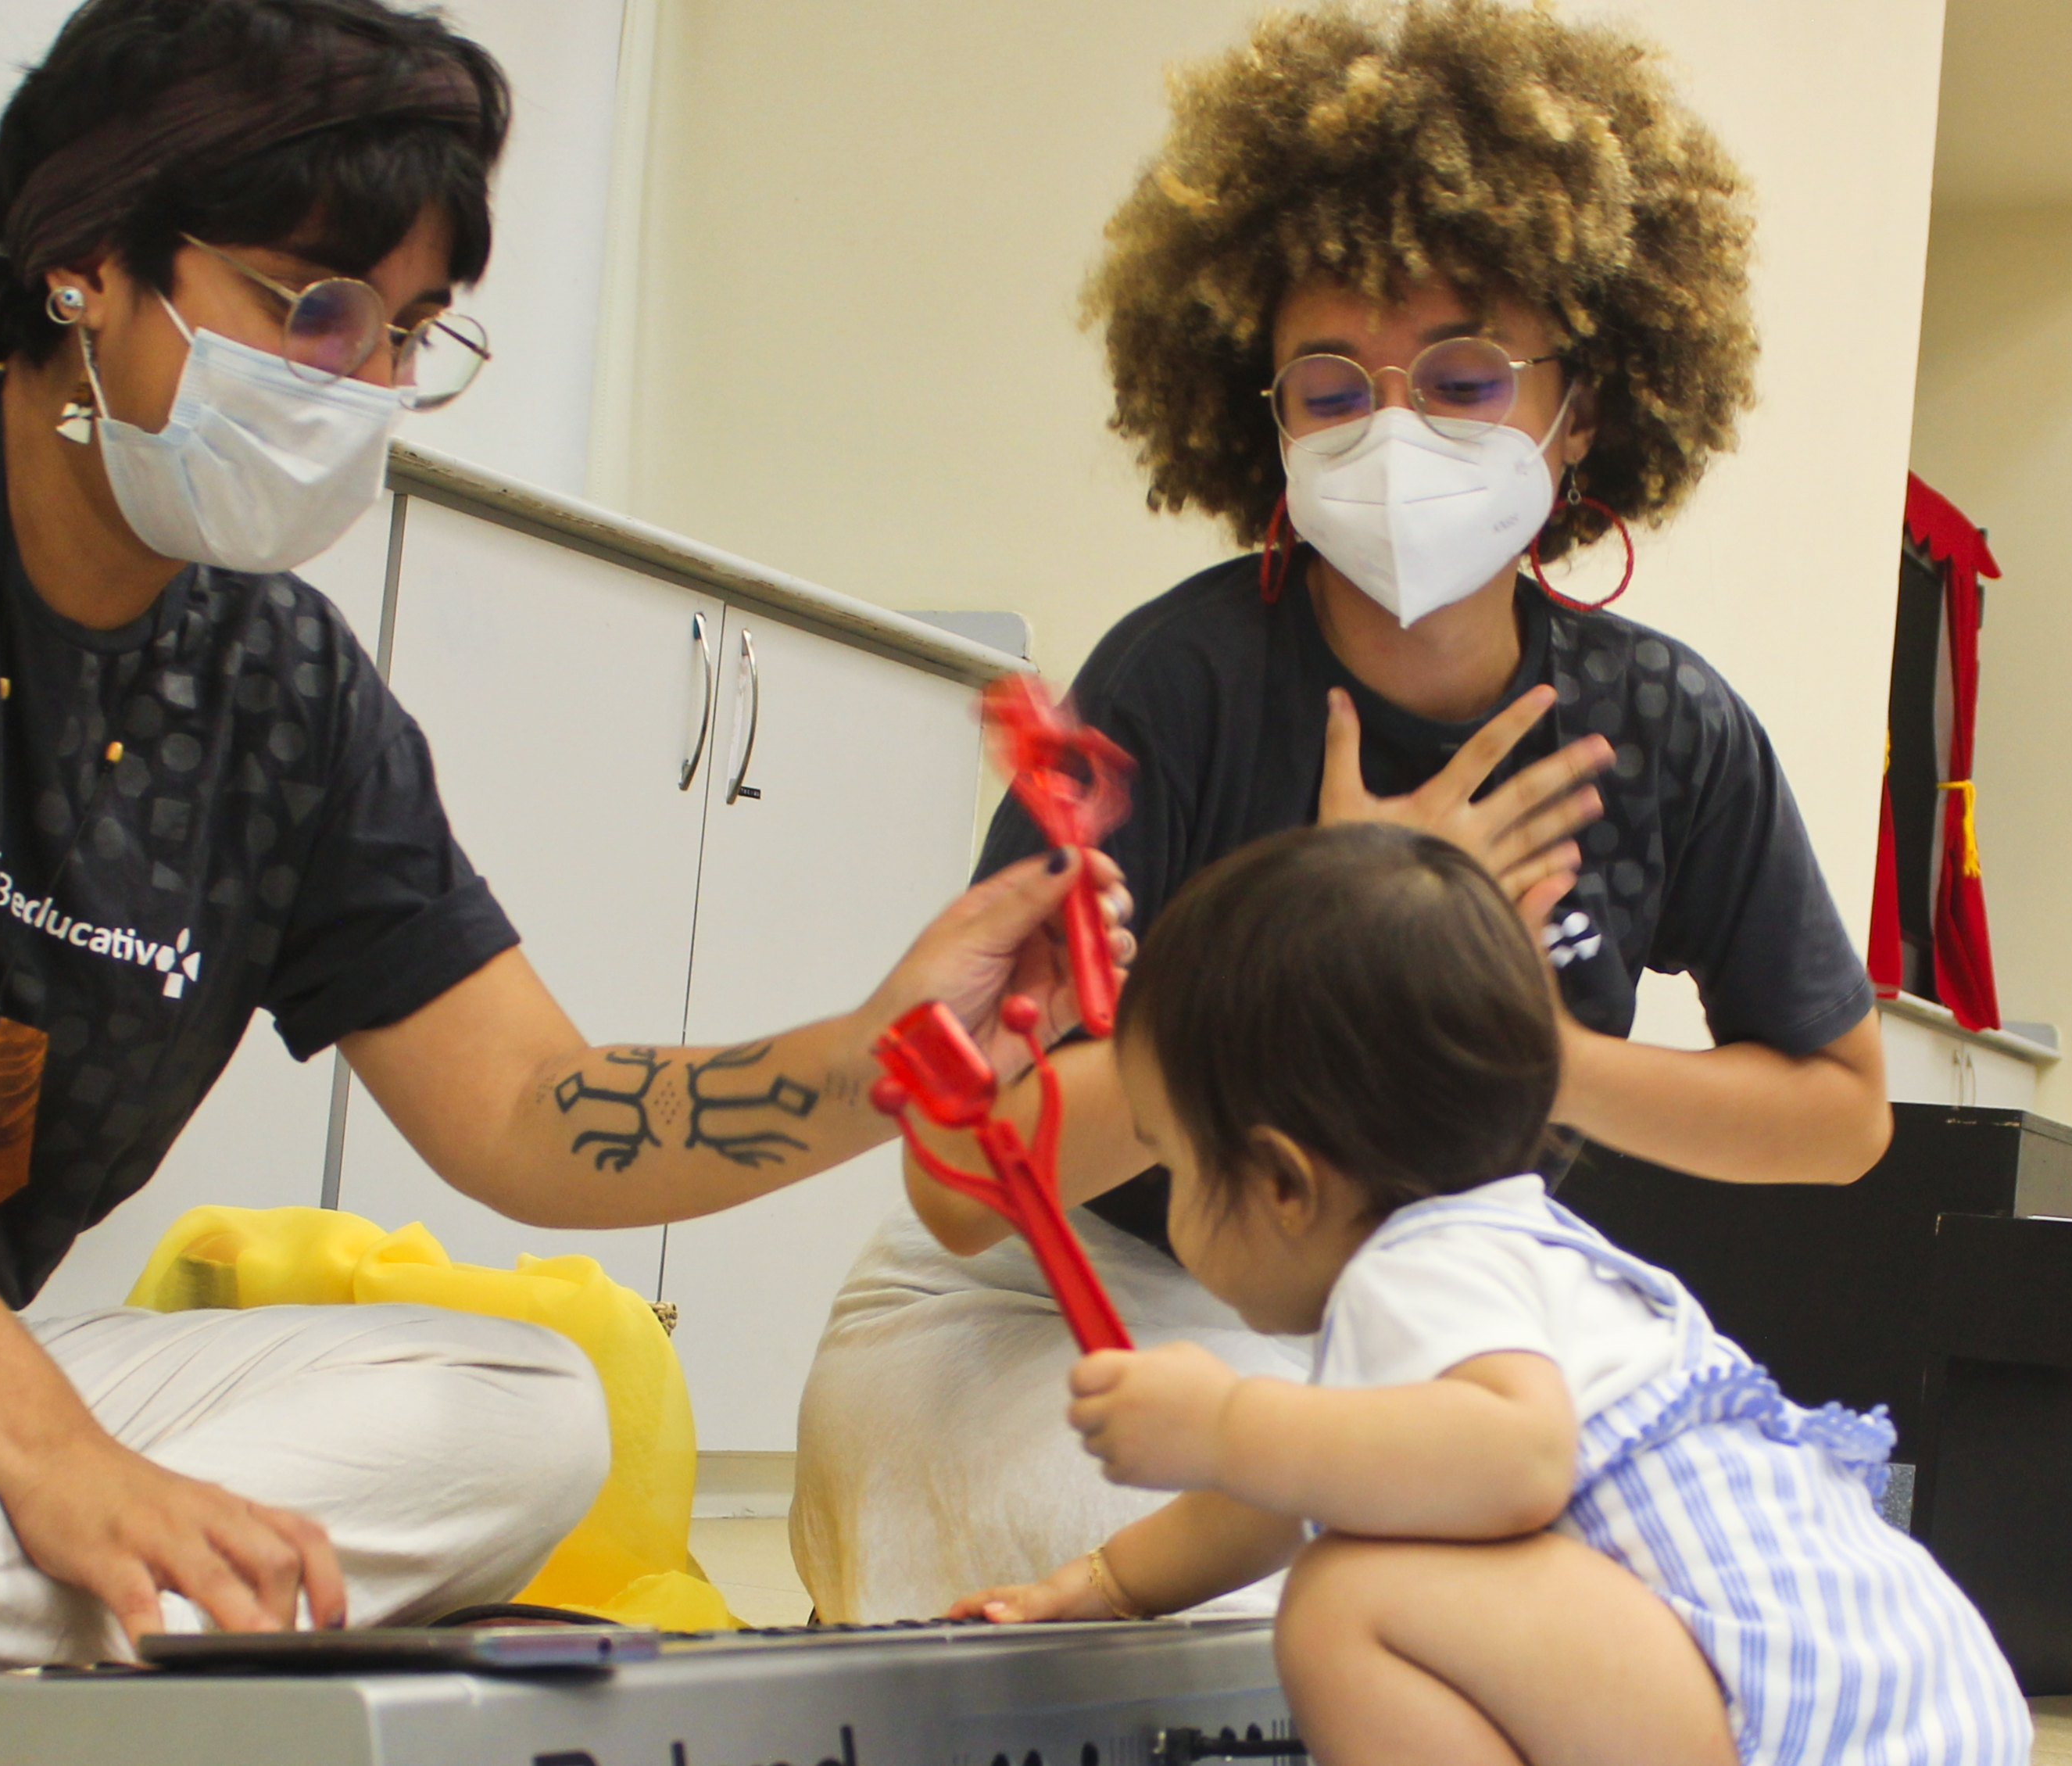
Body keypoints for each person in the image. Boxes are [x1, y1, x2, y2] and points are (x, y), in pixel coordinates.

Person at [0, 2, 1121, 1758]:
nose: (365, 382)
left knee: (524, 1414)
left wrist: (885, 1047)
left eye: (411, 331)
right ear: (88, 257)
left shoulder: (282, 681)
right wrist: (56, 1456)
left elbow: (527, 1112)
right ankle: (23, 1636)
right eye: (309, 308)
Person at [793, 0, 1893, 1621]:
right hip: (1060, 1305)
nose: (1395, 431)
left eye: (1464, 378)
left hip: (1425, 1314)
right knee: (1303, 1587)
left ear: (1581, 410)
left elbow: (1837, 1116)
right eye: (1332, 389)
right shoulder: (1180, 679)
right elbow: (961, 1192)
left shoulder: (1663, 726)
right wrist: (1334, 937)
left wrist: (1492, 1024)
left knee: (1664, 1598)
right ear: (1264, 416)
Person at [955, 824, 2027, 1766]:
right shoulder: (1506, 1246)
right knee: (1365, 1541)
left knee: (1347, 1600)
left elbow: (1512, 1458)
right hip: (1902, 1700)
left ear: (1283, 1182)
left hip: (1795, 1729)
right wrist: (1102, 1584)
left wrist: (1226, 1420)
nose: (1171, 1201)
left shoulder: (1416, 1272)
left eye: (1171, 1162)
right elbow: (1275, 1492)